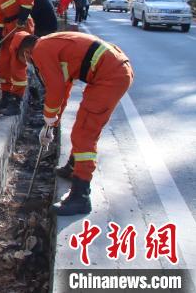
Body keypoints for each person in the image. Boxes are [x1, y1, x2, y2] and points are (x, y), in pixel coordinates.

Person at [11, 31, 133, 215]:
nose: (27, 64)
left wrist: (48, 119)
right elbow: (64, 88)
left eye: (23, 60)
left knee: (84, 133)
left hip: (110, 76)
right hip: (112, 70)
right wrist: (52, 123)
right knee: (83, 126)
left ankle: (80, 196)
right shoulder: (50, 46)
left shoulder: (40, 51)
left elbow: (55, 88)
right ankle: (73, 167)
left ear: (26, 52)